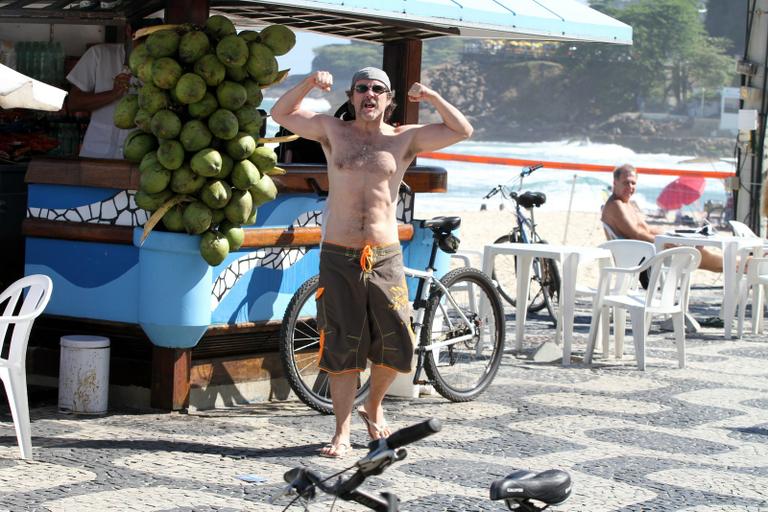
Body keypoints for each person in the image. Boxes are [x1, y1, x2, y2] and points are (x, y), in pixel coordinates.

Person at [271, 67, 473, 458]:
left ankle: (374, 404)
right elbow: (282, 113)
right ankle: (341, 431)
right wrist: (311, 82)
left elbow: (462, 130)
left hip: (384, 254)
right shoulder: (333, 132)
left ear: (388, 99)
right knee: (342, 343)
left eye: (377, 89)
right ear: (351, 96)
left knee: (399, 340)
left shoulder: (404, 139)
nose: (369, 94)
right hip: (339, 252)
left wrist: (430, 96)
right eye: (362, 88)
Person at [66, 18, 161, 159]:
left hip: (139, 159)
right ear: (128, 31)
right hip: (95, 156)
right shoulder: (99, 55)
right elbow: (73, 103)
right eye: (141, 40)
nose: (145, 47)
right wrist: (113, 93)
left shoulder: (162, 68)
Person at [601, 163, 723, 272]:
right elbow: (636, 234)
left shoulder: (626, 203)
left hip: (646, 252)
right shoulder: (616, 205)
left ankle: (736, 265)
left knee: (699, 253)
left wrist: (670, 236)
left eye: (633, 183)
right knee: (699, 254)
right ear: (615, 183)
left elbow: (646, 230)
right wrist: (665, 243)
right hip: (640, 257)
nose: (630, 187)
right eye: (626, 182)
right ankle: (737, 265)